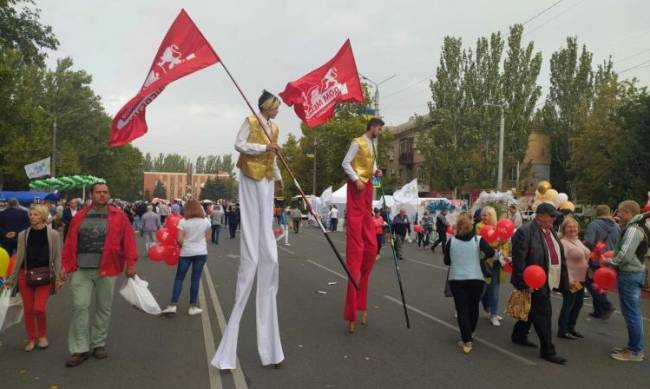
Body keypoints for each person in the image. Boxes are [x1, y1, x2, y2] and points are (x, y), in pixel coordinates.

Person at [212, 90, 284, 370]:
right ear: (267, 107)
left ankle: (264, 239)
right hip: (250, 176)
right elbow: (239, 144)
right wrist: (263, 148)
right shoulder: (251, 121)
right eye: (275, 107)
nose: (278, 111)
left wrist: (277, 177)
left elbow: (274, 158)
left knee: (265, 225)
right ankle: (255, 241)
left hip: (265, 178)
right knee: (254, 226)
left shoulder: (274, 128)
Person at [59, 182, 138, 367]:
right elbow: (70, 241)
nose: (102, 195)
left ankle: (98, 343)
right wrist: (65, 265)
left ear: (109, 194)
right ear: (92, 195)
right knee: (80, 306)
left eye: (105, 192)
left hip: (107, 268)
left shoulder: (119, 215)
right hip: (81, 269)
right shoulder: (80, 215)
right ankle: (80, 348)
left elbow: (129, 240)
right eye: (98, 192)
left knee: (103, 308)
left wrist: (131, 263)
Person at [339, 117, 383, 333]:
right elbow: (345, 163)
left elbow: (372, 166)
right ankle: (351, 308)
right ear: (372, 127)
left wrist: (377, 172)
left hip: (367, 191)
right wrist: (356, 178)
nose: (380, 132)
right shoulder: (357, 142)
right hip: (356, 190)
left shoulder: (374, 146)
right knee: (356, 249)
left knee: (371, 246)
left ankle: (361, 301)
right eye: (379, 128)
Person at [510, 203, 569, 364]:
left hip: (549, 278)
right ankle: (548, 350)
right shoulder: (525, 231)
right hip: (535, 280)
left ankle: (519, 335)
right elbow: (519, 259)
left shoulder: (550, 230)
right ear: (540, 215)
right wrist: (523, 282)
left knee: (531, 310)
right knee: (544, 314)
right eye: (551, 215)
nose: (554, 218)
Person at [5, 204, 63, 352]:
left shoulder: (53, 235)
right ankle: (31, 338)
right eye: (30, 214)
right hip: (25, 275)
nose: (32, 217)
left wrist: (58, 277)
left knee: (39, 307)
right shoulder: (23, 234)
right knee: (29, 309)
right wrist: (11, 280)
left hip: (44, 276)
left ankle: (42, 335)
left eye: (35, 214)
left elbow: (57, 258)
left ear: (43, 216)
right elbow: (18, 259)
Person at [444, 214, 495, 354]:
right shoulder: (478, 240)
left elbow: (447, 261)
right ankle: (471, 332)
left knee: (462, 309)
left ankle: (467, 339)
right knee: (473, 307)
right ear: (470, 226)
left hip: (457, 279)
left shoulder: (451, 241)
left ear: (457, 227)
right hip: (476, 278)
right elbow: (491, 252)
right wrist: (481, 257)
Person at [604, 200, 647, 362]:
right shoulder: (636, 227)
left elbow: (625, 255)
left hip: (630, 275)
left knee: (632, 314)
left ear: (629, 212)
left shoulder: (633, 229)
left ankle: (635, 351)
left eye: (620, 211)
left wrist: (610, 262)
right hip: (633, 273)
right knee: (631, 313)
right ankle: (633, 347)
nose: (617, 214)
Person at [161, 199, 211, 316]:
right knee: (195, 278)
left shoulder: (183, 221)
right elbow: (208, 236)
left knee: (179, 278)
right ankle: (193, 306)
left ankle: (173, 305)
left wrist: (185, 245)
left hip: (186, 253)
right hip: (201, 252)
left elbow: (179, 239)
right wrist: (200, 241)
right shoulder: (205, 221)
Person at [583, 204, 619, 319]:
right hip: (610, 260)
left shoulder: (594, 225)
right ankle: (598, 311)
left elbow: (588, 242)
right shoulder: (616, 226)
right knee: (602, 283)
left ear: (597, 213)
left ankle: (606, 304)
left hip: (596, 259)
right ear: (609, 212)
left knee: (590, 283)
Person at [557, 217, 589, 339]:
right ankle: (563, 330)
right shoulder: (564, 243)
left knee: (578, 304)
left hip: (581, 278)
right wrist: (569, 279)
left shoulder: (577, 240)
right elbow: (562, 263)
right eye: (569, 227)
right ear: (564, 229)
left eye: (575, 227)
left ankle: (571, 328)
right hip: (572, 279)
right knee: (569, 304)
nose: (573, 229)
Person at [478, 206, 503, 326]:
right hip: (484, 263)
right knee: (481, 290)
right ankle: (469, 310)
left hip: (497, 263)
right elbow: (483, 244)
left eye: (485, 215)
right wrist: (494, 250)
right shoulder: (479, 227)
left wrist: (503, 250)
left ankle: (493, 313)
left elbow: (504, 242)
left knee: (494, 289)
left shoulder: (499, 228)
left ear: (492, 216)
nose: (483, 217)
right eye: (482, 215)